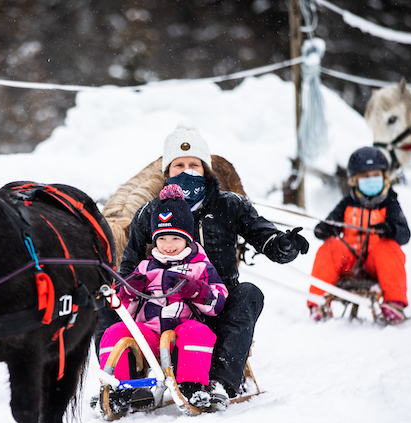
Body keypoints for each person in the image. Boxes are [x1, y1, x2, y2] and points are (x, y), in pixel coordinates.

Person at [107, 124, 310, 401]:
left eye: (194, 164)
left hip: (216, 304)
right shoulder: (150, 213)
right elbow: (128, 268)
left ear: (206, 169)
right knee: (106, 306)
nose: (187, 171)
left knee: (249, 293)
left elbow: (265, 239)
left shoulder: (229, 205)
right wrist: (127, 289)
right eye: (179, 165)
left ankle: (220, 383)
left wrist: (284, 245)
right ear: (167, 173)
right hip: (162, 306)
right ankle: (121, 385)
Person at [100, 184, 229, 412]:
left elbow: (218, 302)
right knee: (115, 331)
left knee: (197, 332)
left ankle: (192, 386)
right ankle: (119, 389)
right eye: (162, 239)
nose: (168, 245)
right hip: (148, 334)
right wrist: (129, 291)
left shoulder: (199, 266)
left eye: (175, 239)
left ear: (188, 239)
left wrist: (196, 289)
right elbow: (125, 312)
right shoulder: (144, 267)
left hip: (181, 336)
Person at [307, 146, 410, 324]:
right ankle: (318, 302)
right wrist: (323, 230)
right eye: (366, 177)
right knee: (329, 247)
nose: (371, 180)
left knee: (390, 247)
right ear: (355, 180)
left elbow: (405, 235)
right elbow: (328, 225)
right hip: (349, 262)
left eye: (375, 175)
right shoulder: (347, 203)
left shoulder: (390, 203)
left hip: (376, 265)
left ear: (384, 177)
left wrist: (391, 229)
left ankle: (394, 304)